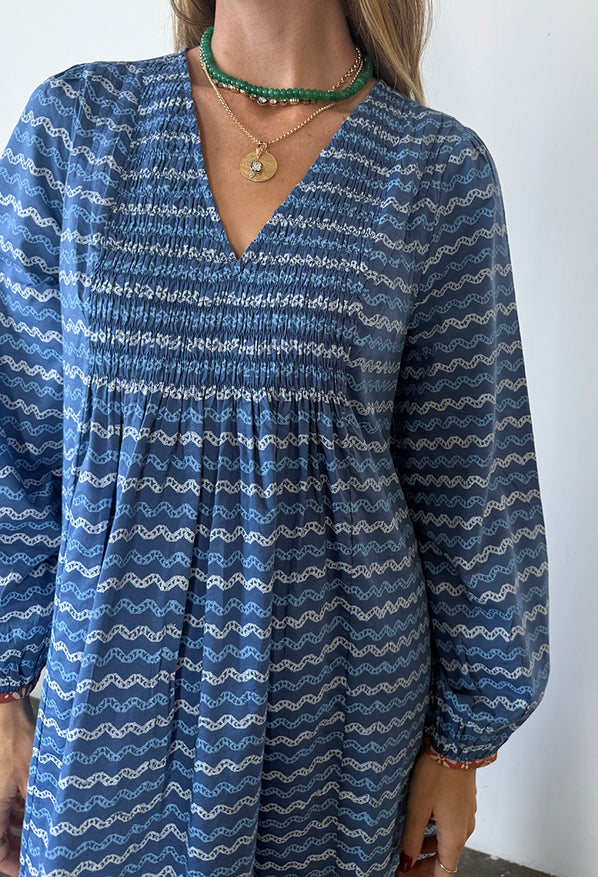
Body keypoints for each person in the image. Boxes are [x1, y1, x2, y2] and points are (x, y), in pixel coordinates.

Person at [0, 1, 550, 875]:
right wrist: (2, 691)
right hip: (106, 707)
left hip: (338, 728)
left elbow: (473, 487)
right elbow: (17, 440)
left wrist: (458, 749)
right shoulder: (79, 131)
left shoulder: (436, 173)